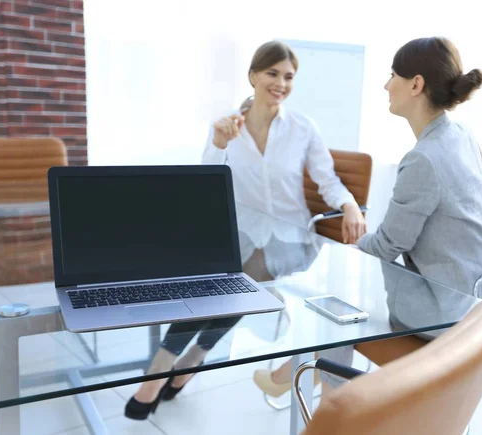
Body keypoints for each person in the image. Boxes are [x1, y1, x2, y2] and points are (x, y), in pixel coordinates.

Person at [125, 40, 366, 420]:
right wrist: (219, 145)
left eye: (288, 76)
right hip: (235, 234)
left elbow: (327, 180)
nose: (281, 83)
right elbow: (204, 183)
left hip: (289, 240)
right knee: (202, 288)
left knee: (234, 285)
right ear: (253, 75)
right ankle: (182, 364)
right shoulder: (226, 126)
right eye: (272, 73)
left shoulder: (303, 128)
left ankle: (162, 374)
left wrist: (349, 204)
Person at [253, 36, 482, 398]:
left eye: (392, 75)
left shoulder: (424, 158)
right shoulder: (462, 135)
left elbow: (387, 247)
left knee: (338, 297)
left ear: (416, 84)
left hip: (447, 311)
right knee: (343, 295)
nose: (386, 85)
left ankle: (332, 403)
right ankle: (303, 380)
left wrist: (350, 247)